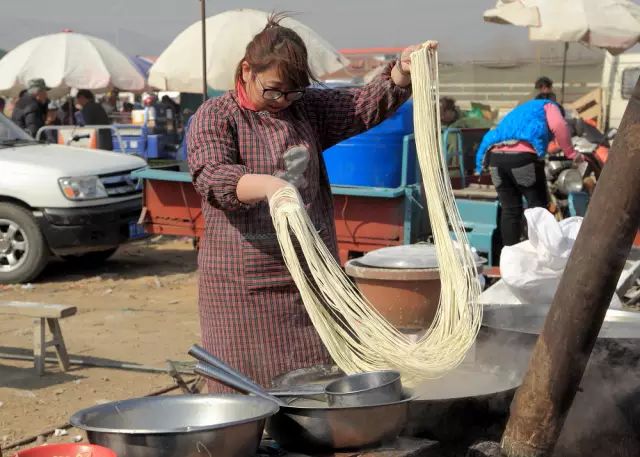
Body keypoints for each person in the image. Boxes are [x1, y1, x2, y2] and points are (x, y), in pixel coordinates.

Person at [187, 13, 427, 392]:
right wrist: (271, 186)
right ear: (247, 70)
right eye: (274, 90)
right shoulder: (217, 116)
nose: (282, 101)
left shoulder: (306, 110)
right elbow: (211, 176)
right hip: (243, 286)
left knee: (313, 385)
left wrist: (401, 72)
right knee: (242, 391)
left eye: (293, 92)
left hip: (311, 279)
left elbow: (360, 105)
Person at [475, 98, 577, 247]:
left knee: (510, 210)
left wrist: (479, 167)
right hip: (522, 160)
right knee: (538, 208)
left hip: (495, 160)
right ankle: (540, 252)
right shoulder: (549, 106)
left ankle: (510, 256)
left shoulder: (521, 111)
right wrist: (571, 153)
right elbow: (559, 125)